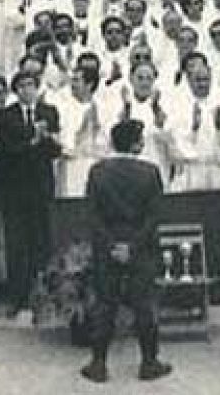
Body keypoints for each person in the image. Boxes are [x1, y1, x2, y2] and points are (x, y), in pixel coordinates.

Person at [79, 118, 173, 385]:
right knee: (144, 304)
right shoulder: (151, 172)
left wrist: (111, 245)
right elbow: (154, 217)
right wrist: (132, 246)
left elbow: (92, 215)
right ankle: (149, 362)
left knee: (105, 304)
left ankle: (98, 364)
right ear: (136, 144)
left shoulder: (97, 171)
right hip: (140, 246)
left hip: (107, 246)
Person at [0, 70, 63, 316]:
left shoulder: (49, 112)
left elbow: (55, 151)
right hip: (14, 189)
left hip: (41, 187)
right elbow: (9, 149)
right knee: (16, 244)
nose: (27, 90)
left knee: (41, 242)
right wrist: (34, 139)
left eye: (31, 85)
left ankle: (41, 296)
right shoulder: (6, 116)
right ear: (16, 91)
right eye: (22, 86)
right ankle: (17, 297)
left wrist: (48, 139)